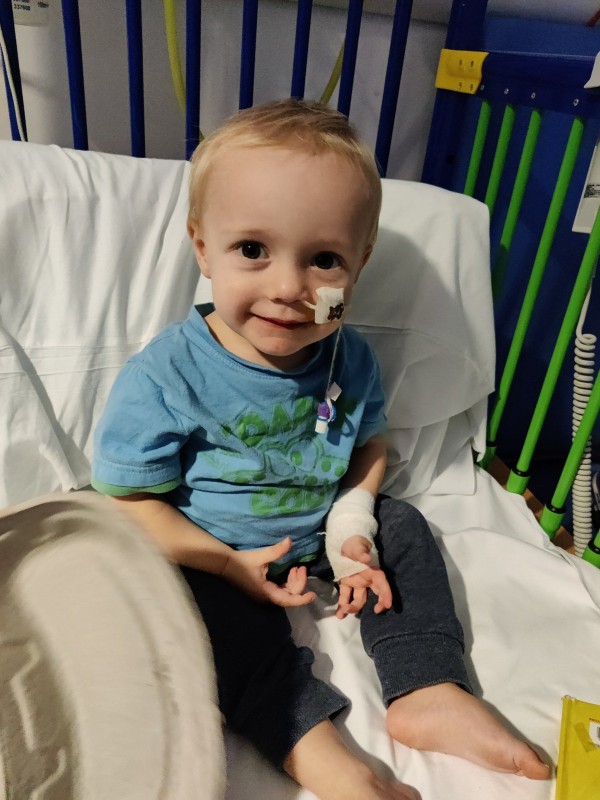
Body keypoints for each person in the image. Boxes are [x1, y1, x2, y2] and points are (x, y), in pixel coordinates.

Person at [92, 99, 549, 800]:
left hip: (321, 540)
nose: (288, 290)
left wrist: (353, 526)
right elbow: (129, 503)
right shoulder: (167, 375)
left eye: (324, 260)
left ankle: (426, 687)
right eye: (252, 250)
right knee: (193, 614)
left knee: (406, 526)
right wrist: (226, 563)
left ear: (358, 266)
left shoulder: (347, 354)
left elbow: (370, 447)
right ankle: (309, 740)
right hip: (215, 552)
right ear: (201, 246)